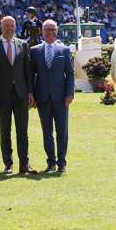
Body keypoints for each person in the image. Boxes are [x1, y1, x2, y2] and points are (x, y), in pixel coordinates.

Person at [0, 16, 37, 175]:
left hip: (21, 94)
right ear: (1, 27)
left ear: (15, 27)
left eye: (11, 25)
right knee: (4, 131)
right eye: (6, 25)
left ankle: (24, 164)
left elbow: (28, 71)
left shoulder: (23, 45)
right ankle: (8, 164)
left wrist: (30, 92)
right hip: (1, 96)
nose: (9, 28)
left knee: (23, 131)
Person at [30, 19, 74, 173]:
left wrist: (70, 93)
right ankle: (51, 163)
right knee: (47, 132)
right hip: (42, 98)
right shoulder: (34, 51)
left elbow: (70, 73)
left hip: (61, 98)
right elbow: (31, 75)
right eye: (47, 29)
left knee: (62, 132)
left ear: (57, 31)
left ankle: (62, 163)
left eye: (53, 29)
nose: (50, 32)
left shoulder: (65, 50)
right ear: (42, 31)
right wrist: (32, 95)